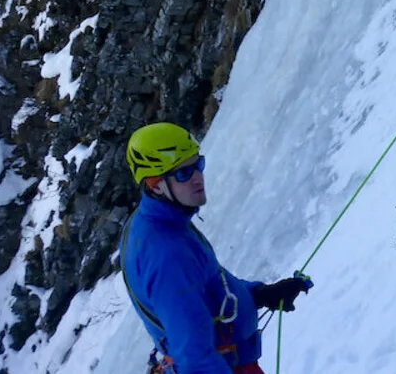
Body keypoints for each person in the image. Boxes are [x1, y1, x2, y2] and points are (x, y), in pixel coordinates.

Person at [121, 122, 313, 374]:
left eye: (197, 165)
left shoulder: (160, 224)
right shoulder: (168, 256)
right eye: (183, 173)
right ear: (155, 184)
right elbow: (194, 357)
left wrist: (259, 294)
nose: (197, 177)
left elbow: (209, 286)